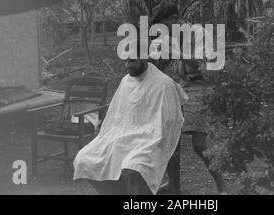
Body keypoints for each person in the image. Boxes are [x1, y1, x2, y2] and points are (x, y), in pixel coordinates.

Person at [73, 39, 188, 195]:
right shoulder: (126, 81)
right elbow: (118, 114)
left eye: (132, 60)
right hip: (122, 136)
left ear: (144, 58)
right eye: (125, 61)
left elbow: (171, 121)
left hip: (150, 139)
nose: (127, 65)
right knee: (84, 159)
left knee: (134, 167)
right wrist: (109, 133)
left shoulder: (163, 84)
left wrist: (153, 134)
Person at [150, 2, 226, 195]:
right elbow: (161, 62)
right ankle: (174, 186)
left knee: (199, 145)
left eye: (164, 25)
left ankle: (222, 187)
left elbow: (203, 63)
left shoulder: (199, 34)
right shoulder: (170, 38)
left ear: (175, 20)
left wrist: (177, 54)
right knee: (169, 140)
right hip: (181, 87)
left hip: (201, 87)